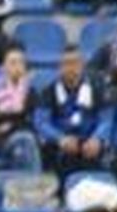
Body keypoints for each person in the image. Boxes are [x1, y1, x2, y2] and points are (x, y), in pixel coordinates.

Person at [32, 46, 108, 174]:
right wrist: (60, 138)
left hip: (90, 144)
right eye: (66, 64)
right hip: (61, 146)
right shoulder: (48, 92)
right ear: (59, 67)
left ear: (82, 66)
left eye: (75, 63)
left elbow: (107, 120)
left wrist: (97, 138)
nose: (71, 68)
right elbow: (41, 122)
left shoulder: (97, 89)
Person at [0, 45, 41, 171]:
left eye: (21, 63)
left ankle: (25, 186)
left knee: (24, 143)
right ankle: (34, 185)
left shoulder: (31, 91)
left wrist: (10, 123)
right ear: (3, 67)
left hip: (24, 135)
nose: (17, 67)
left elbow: (31, 120)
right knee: (26, 141)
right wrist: (19, 116)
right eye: (12, 63)